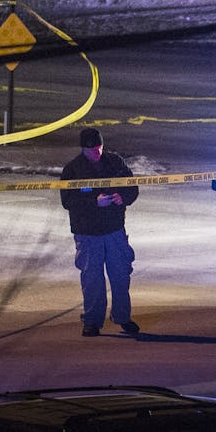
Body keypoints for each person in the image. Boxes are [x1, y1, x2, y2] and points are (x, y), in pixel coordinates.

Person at [60, 127, 140, 337]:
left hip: (114, 229)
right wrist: (94, 202)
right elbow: (68, 201)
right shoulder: (73, 170)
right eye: (92, 150)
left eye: (99, 149)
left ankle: (123, 317)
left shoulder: (115, 163)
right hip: (88, 233)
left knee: (121, 274)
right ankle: (92, 321)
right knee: (92, 278)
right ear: (83, 149)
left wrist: (123, 197)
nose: (96, 154)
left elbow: (132, 186)